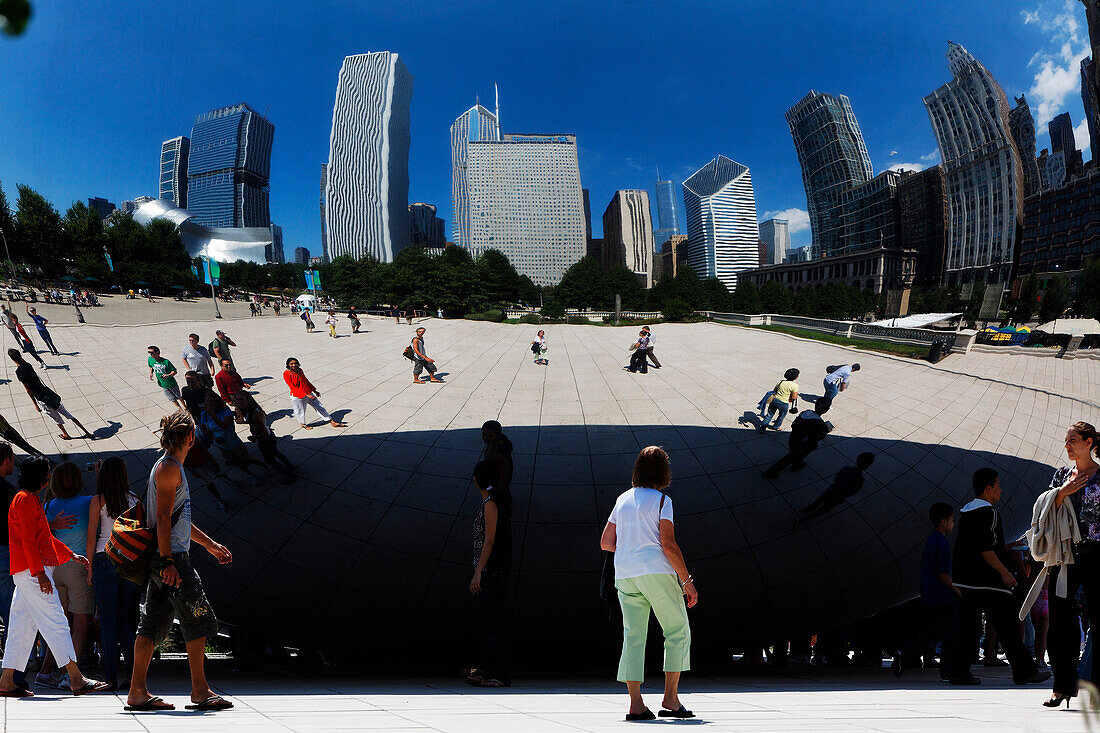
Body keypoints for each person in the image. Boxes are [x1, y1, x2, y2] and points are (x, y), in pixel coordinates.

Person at [126, 411, 234, 712]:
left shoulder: (170, 467)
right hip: (172, 560)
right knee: (197, 618)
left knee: (151, 624)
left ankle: (137, 692)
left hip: (167, 559)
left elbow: (176, 519)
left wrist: (210, 544)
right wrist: (167, 561)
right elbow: (161, 517)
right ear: (190, 436)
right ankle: (200, 691)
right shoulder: (169, 468)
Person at [600, 446, 697, 721]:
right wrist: (687, 581)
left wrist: (631, 545)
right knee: (677, 630)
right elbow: (668, 545)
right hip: (656, 572)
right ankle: (671, 699)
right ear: (663, 471)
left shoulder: (622, 499)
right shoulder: (662, 501)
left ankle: (636, 704)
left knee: (633, 636)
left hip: (626, 573)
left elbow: (606, 542)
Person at [0, 455, 108, 697]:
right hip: (32, 571)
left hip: (28, 571)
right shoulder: (26, 500)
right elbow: (31, 540)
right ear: (41, 477)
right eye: (46, 473)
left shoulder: (29, 499)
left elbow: (45, 538)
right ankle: (76, 678)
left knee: (21, 626)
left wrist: (71, 555)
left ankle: (6, 681)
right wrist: (40, 573)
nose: (49, 478)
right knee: (56, 621)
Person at [949, 468, 1048, 686]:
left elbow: (974, 547)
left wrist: (1005, 547)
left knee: (967, 628)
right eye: (998, 485)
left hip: (965, 579)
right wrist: (1005, 573)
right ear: (988, 488)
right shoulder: (990, 513)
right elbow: (985, 549)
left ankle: (958, 672)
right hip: (988, 581)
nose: (1001, 490)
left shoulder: (966, 513)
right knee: (1008, 625)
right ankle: (1024, 671)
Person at [1044, 422, 1100, 708]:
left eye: (1073, 440)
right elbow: (1045, 514)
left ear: (1089, 442)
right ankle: (1061, 686)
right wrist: (1062, 492)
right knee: (1059, 621)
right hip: (1066, 555)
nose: (1067, 444)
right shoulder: (1061, 475)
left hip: (1097, 554)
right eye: (1066, 440)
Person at [38, 463, 95, 688]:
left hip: (55, 567)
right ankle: (71, 676)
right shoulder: (88, 502)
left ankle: (45, 671)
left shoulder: (50, 505)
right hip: (77, 566)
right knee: (80, 622)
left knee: (59, 624)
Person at [85, 457, 138, 690]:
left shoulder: (98, 500)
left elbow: (90, 537)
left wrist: (88, 569)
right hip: (128, 560)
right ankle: (133, 674)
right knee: (123, 619)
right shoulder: (135, 499)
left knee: (106, 620)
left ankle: (109, 677)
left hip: (103, 557)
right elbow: (138, 533)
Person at [466, 460, 513, 688]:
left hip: (491, 572)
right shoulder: (492, 501)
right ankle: (487, 670)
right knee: (487, 624)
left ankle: (499, 673)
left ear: (477, 480)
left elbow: (489, 540)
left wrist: (478, 572)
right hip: (491, 571)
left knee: (493, 623)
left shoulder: (491, 505)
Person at [904, 502, 962, 680]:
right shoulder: (941, 542)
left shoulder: (931, 540)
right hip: (942, 595)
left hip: (931, 593)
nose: (954, 523)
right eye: (952, 520)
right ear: (943, 522)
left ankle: (906, 652)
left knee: (936, 631)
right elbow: (943, 573)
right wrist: (957, 590)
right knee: (950, 633)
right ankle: (946, 670)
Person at [10, 349, 93, 441]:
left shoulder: (19, 372)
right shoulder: (28, 365)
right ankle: (86, 432)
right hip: (48, 394)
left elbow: (28, 390)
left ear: (12, 359)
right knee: (67, 414)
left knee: (56, 419)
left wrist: (35, 405)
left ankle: (66, 434)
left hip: (41, 399)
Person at [0, 443, 28, 692]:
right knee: (13, 614)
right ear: (5, 461)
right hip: (4, 554)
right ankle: (11, 676)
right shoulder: (11, 493)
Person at [794, 452, 875, 526]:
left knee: (819, 500)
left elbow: (837, 477)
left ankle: (807, 509)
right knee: (823, 510)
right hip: (839, 496)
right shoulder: (860, 479)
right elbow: (853, 492)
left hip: (832, 489)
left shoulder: (847, 468)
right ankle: (802, 520)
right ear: (867, 466)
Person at [762, 397, 832, 478]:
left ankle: (797, 465)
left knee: (795, 455)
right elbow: (818, 437)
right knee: (789, 458)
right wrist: (826, 430)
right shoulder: (818, 423)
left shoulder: (805, 413)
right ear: (825, 410)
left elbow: (794, 425)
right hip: (802, 445)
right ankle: (770, 473)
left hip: (793, 439)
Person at [233, 393, 296, 483]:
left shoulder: (255, 414)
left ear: (248, 400)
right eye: (237, 400)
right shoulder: (247, 410)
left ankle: (289, 475)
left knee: (269, 460)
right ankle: (290, 467)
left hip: (266, 439)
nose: (239, 402)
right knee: (276, 453)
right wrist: (238, 411)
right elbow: (239, 421)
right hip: (266, 437)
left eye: (241, 400)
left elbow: (265, 433)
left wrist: (254, 437)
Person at [200, 392, 264, 482]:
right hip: (222, 445)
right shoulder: (204, 414)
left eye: (211, 401)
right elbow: (204, 430)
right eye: (207, 401)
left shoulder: (226, 413)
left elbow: (223, 426)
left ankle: (266, 467)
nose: (209, 403)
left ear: (217, 401)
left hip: (234, 442)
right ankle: (252, 475)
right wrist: (213, 437)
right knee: (238, 462)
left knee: (248, 459)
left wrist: (211, 414)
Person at [283, 357, 346, 430]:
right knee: (300, 410)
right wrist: (306, 395)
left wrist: (314, 390)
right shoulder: (286, 374)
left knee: (319, 406)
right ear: (288, 364)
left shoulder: (300, 370)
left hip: (308, 392)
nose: (294, 365)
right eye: (291, 364)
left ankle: (331, 421)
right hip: (298, 395)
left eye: (295, 363)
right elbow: (292, 387)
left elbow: (306, 381)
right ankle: (303, 424)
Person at [759, 368, 800, 433]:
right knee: (781, 416)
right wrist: (790, 400)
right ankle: (776, 426)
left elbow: (774, 390)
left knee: (770, 414)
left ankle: (763, 427)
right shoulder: (795, 386)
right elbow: (794, 397)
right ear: (796, 377)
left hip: (775, 400)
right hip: (784, 403)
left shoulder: (781, 382)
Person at [147, 346, 184, 410]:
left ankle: (185, 407)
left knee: (178, 396)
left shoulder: (166, 362)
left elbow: (174, 371)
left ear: (157, 352)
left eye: (152, 352)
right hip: (162, 384)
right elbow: (151, 366)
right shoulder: (150, 359)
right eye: (149, 352)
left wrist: (168, 375)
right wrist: (151, 373)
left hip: (171, 383)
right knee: (172, 398)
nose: (150, 354)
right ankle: (180, 409)